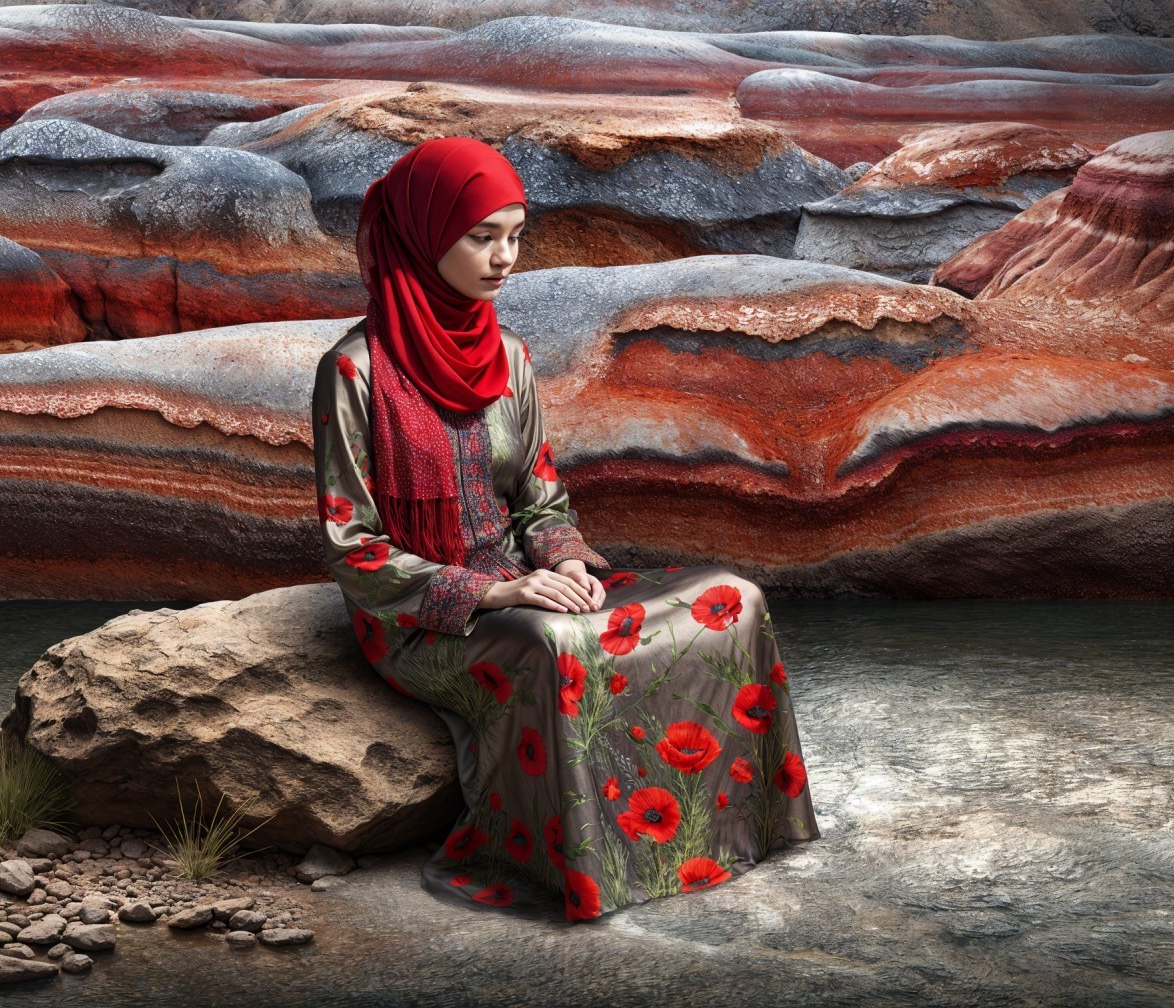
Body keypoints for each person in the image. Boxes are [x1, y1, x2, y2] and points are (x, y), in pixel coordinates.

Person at [311, 135, 819, 923]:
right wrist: (497, 590)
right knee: (555, 647)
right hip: (418, 617)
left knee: (732, 600)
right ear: (421, 233)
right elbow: (354, 549)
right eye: (483, 237)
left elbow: (542, 503)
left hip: (529, 582)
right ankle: (587, 871)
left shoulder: (508, 357)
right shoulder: (355, 372)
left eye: (515, 236)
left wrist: (567, 562)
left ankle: (727, 832)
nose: (504, 258)